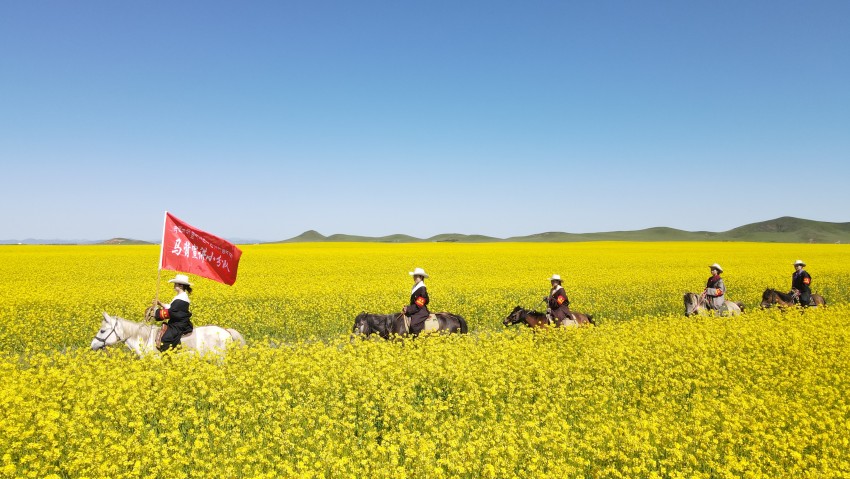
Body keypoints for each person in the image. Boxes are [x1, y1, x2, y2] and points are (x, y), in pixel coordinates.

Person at [152, 274, 194, 351]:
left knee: (165, 339)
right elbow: (173, 308)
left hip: (178, 324)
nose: (174, 285)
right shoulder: (180, 296)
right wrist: (161, 304)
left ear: (181, 286)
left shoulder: (182, 298)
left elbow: (172, 312)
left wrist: (156, 313)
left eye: (175, 284)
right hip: (177, 322)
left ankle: (168, 356)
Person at [403, 267, 430, 334]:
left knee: (413, 325)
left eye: (416, 276)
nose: (414, 278)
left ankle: (417, 340)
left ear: (421, 277)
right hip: (415, 309)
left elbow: (419, 305)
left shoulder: (422, 289)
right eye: (414, 276)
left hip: (420, 311)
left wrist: (408, 309)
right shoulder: (416, 286)